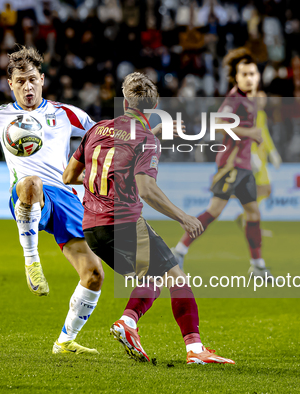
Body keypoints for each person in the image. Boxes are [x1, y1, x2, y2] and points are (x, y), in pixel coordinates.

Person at [0, 45, 104, 355]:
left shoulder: (66, 113)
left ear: (42, 80)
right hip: (26, 193)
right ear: (10, 84)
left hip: (65, 197)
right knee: (31, 183)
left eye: (33, 79)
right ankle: (31, 259)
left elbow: (101, 135)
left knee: (93, 275)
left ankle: (64, 342)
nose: (28, 86)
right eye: (21, 81)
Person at [63, 72, 235, 365]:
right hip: (124, 223)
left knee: (153, 276)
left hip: (92, 227)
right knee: (176, 277)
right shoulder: (145, 139)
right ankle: (193, 349)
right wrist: (183, 217)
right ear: (154, 105)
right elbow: (147, 189)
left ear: (125, 100)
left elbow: (69, 176)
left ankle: (130, 323)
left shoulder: (98, 130)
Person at [171, 47, 273, 281]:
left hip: (245, 167)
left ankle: (257, 265)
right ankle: (178, 251)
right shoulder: (234, 99)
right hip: (231, 166)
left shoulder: (248, 100)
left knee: (253, 212)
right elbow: (217, 123)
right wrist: (250, 131)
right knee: (214, 211)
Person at [235, 90, 282, 235]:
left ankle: (247, 219)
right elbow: (248, 135)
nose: (263, 101)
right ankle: (249, 221)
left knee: (260, 190)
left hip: (260, 158)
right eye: (260, 99)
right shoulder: (252, 114)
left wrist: (272, 152)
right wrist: (252, 154)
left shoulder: (260, 114)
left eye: (264, 99)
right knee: (264, 188)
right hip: (254, 157)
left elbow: (264, 135)